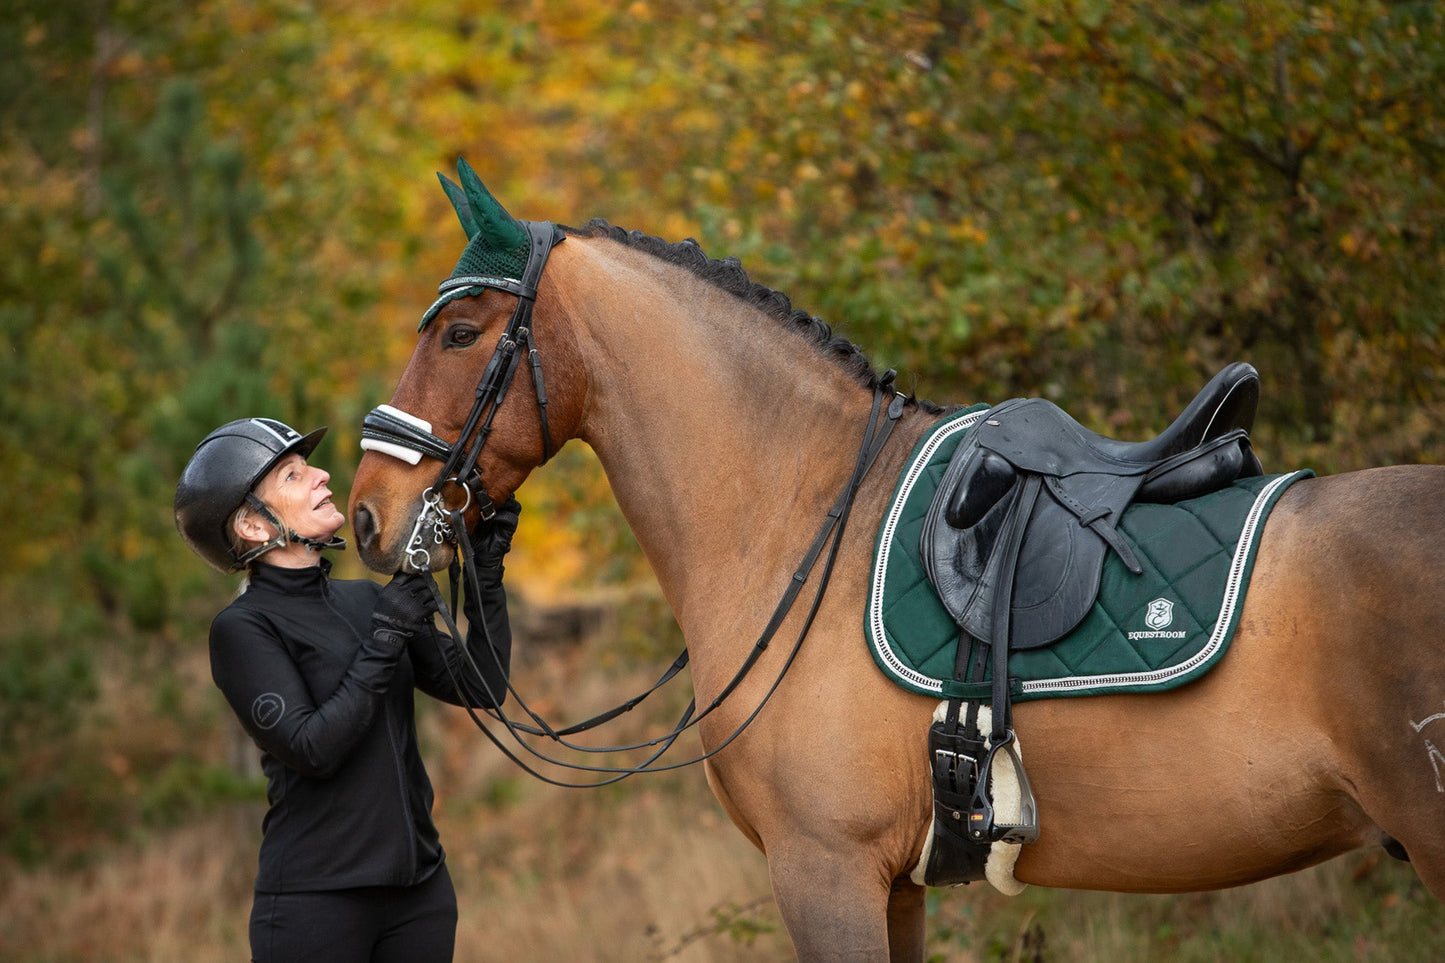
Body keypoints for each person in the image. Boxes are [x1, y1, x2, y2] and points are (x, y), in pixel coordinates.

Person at [173, 416, 516, 963]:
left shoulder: (367, 601)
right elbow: (312, 747)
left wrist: (487, 572)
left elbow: (485, 683)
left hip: (420, 896)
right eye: (291, 475)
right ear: (253, 527)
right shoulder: (243, 628)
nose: (322, 476)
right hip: (316, 908)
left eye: (307, 466)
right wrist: (388, 635)